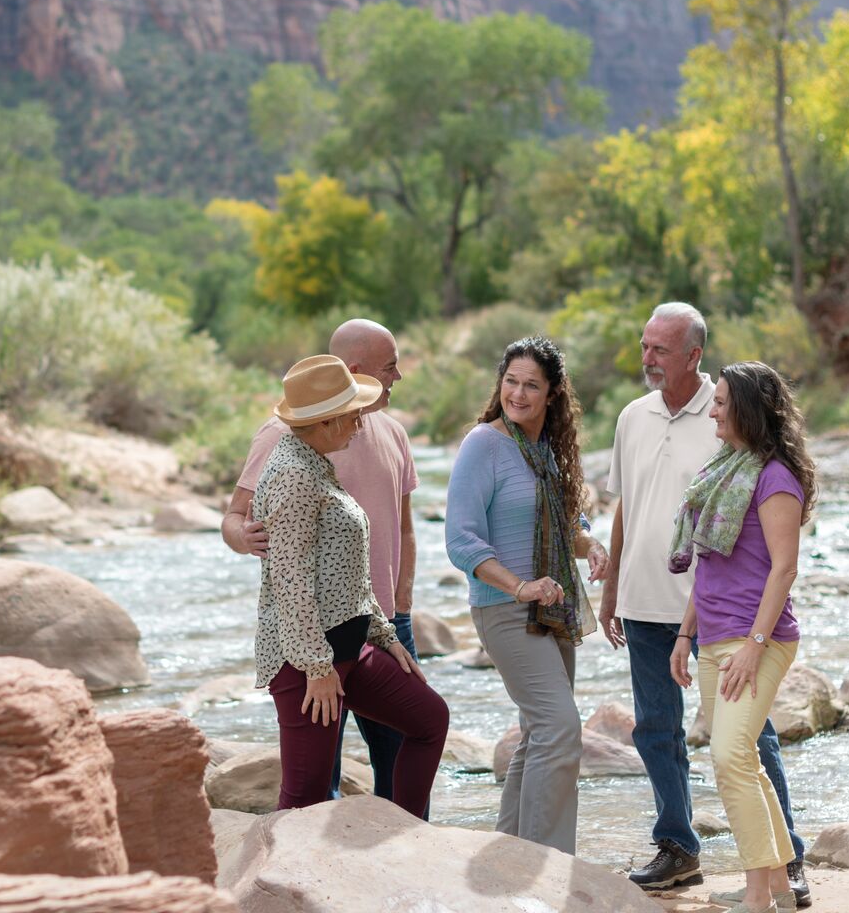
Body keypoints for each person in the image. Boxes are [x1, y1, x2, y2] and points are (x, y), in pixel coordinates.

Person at [599, 304, 808, 903]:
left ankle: (781, 870)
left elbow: (777, 559)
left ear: (693, 355)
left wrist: (752, 640)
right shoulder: (637, 419)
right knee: (657, 731)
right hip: (660, 607)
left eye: (660, 350)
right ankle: (682, 851)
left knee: (745, 747)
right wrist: (613, 588)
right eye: (645, 347)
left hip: (730, 625)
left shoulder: (745, 444)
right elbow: (636, 513)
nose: (647, 359)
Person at [224, 318, 420, 802]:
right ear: (354, 371)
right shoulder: (283, 436)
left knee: (401, 757)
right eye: (389, 367)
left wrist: (402, 603)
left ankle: (406, 860)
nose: (397, 378)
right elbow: (233, 518)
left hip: (384, 623)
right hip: (316, 629)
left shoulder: (393, 433)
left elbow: (406, 527)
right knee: (318, 778)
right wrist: (245, 537)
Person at [253, 353, 449, 815]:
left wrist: (384, 635)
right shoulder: (293, 476)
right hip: (306, 661)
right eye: (352, 414)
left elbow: (346, 572)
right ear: (324, 422)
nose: (361, 423)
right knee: (306, 797)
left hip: (351, 646)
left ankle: (406, 844)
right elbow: (290, 580)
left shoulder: (317, 461)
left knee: (428, 719)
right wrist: (317, 669)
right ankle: (279, 885)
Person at [444, 336, 605, 854]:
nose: (518, 393)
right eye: (510, 381)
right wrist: (519, 585)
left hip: (551, 611)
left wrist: (593, 546)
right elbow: (461, 540)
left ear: (553, 393)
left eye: (531, 384)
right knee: (560, 730)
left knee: (539, 734)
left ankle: (511, 854)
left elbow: (566, 528)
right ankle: (549, 864)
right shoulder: (483, 444)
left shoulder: (544, 452)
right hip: (505, 609)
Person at [669, 362, 816, 913]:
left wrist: (755, 645)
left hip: (759, 639)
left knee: (729, 757)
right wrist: (686, 635)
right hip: (714, 637)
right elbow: (709, 566)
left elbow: (783, 569)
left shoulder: (776, 477)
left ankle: (758, 894)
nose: (712, 410)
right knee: (743, 760)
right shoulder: (725, 469)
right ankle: (777, 879)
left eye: (723, 402)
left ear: (749, 409)